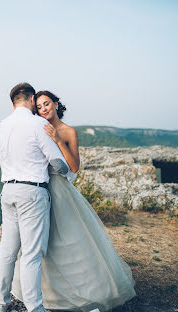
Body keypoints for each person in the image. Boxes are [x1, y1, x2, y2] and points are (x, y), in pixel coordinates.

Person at [11, 91, 136, 311]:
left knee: (68, 236)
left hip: (59, 189)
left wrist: (58, 140)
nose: (44, 109)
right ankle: (43, 291)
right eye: (39, 107)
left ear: (56, 104)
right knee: (42, 242)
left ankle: (85, 291)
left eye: (47, 104)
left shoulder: (69, 132)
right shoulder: (35, 127)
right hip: (37, 188)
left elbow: (74, 167)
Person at [0, 83, 75, 312]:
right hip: (32, 193)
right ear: (31, 100)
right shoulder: (38, 123)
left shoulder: (1, 126)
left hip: (8, 191)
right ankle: (35, 308)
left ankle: (1, 304)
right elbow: (58, 164)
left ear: (13, 103)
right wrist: (69, 175)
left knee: (7, 252)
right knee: (32, 254)